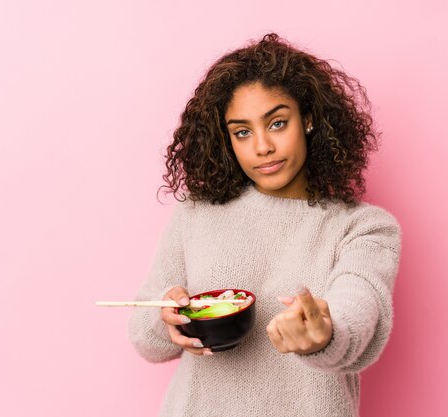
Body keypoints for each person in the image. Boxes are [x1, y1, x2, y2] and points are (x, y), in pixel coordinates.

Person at [128, 33, 402, 417]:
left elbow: (357, 313)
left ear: (307, 119)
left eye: (276, 123)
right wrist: (164, 317)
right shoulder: (197, 213)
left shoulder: (365, 228)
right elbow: (145, 338)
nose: (261, 147)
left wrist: (323, 334)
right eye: (242, 132)